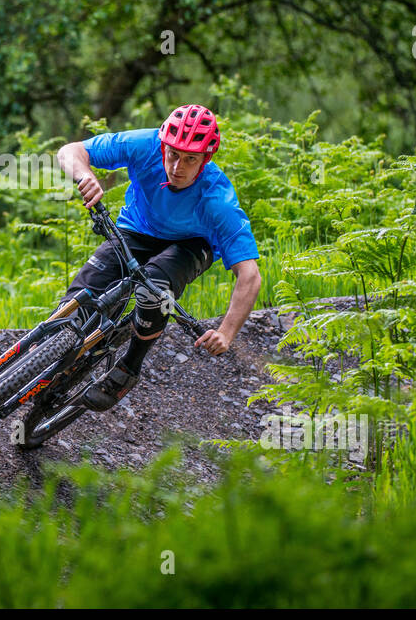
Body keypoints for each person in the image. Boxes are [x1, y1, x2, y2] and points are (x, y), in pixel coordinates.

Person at [53, 104, 262, 411]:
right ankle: (50, 353)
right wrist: (85, 176)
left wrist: (226, 333)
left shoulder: (218, 201)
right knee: (77, 304)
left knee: (154, 287)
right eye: (173, 154)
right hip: (137, 229)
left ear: (205, 160)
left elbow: (250, 275)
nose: (178, 166)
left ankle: (127, 369)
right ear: (163, 145)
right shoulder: (144, 145)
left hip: (192, 244)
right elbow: (70, 151)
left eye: (190, 159)